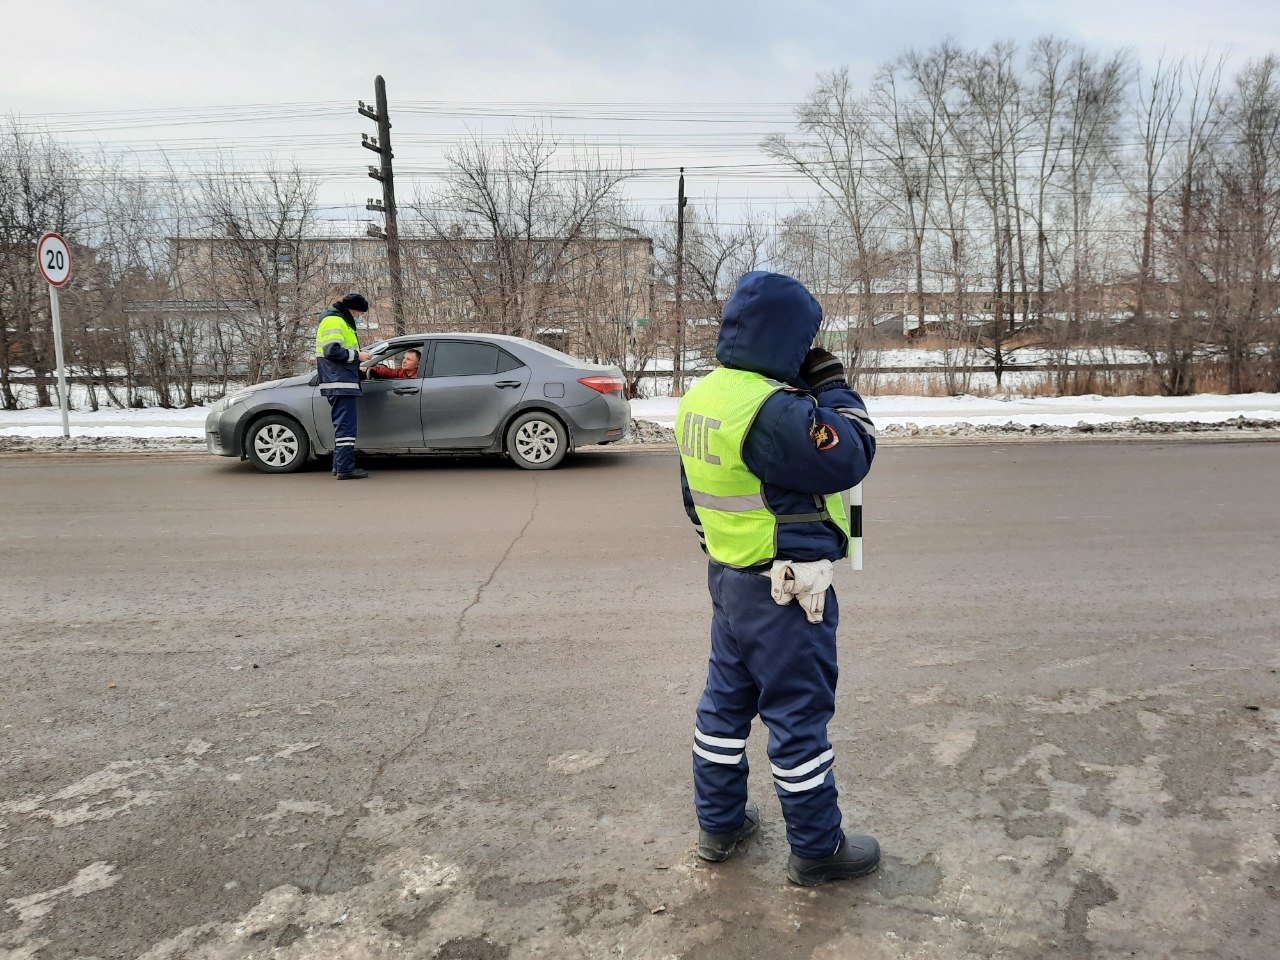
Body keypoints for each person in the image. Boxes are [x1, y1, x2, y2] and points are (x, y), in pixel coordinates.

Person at [675, 271, 879, 886]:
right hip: (787, 590)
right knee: (798, 718)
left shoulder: (706, 396)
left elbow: (694, 497)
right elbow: (853, 453)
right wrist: (837, 389)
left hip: (731, 580)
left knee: (724, 706)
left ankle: (720, 825)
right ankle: (818, 850)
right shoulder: (774, 411)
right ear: (787, 338)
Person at [315, 292, 372, 479]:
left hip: (338, 380)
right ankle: (346, 469)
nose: (359, 316)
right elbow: (332, 351)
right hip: (340, 382)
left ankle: (339, 466)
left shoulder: (336, 319)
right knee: (346, 428)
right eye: (360, 313)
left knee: (342, 426)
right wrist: (358, 356)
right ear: (354, 309)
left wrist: (357, 366)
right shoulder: (335, 321)